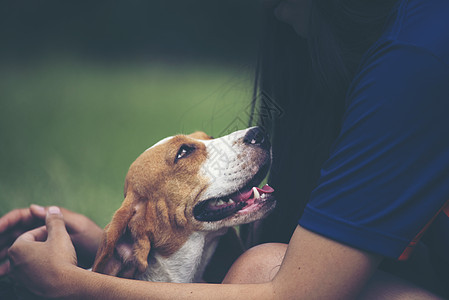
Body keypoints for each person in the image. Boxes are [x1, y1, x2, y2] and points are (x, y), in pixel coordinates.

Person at [1, 0, 448, 298]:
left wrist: (70, 282)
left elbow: (292, 291)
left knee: (260, 270)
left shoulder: (414, 61)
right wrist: (109, 243)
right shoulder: (402, 40)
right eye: (187, 153)